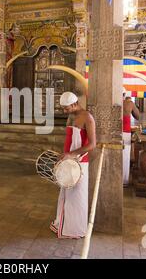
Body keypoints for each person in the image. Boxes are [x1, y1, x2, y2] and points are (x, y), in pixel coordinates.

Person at [50, 92, 96, 239]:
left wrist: (71, 154)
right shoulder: (73, 116)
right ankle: (65, 224)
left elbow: (92, 144)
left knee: (77, 196)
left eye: (66, 108)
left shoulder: (87, 117)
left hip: (80, 163)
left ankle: (75, 229)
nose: (64, 111)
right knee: (67, 194)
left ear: (74, 103)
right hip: (69, 162)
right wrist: (65, 155)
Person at [123, 91, 140, 187]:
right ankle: (124, 181)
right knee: (125, 157)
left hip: (112, 133)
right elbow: (137, 116)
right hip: (125, 132)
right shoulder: (129, 103)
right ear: (125, 94)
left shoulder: (111, 103)